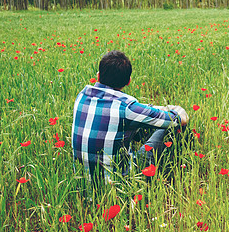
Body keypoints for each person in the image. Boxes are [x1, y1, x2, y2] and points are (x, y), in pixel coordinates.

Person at [71, 50, 188, 192]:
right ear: (128, 81)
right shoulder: (126, 107)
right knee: (167, 127)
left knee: (139, 127)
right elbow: (178, 119)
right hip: (119, 186)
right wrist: (178, 109)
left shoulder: (81, 96)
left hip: (83, 185)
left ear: (98, 76)